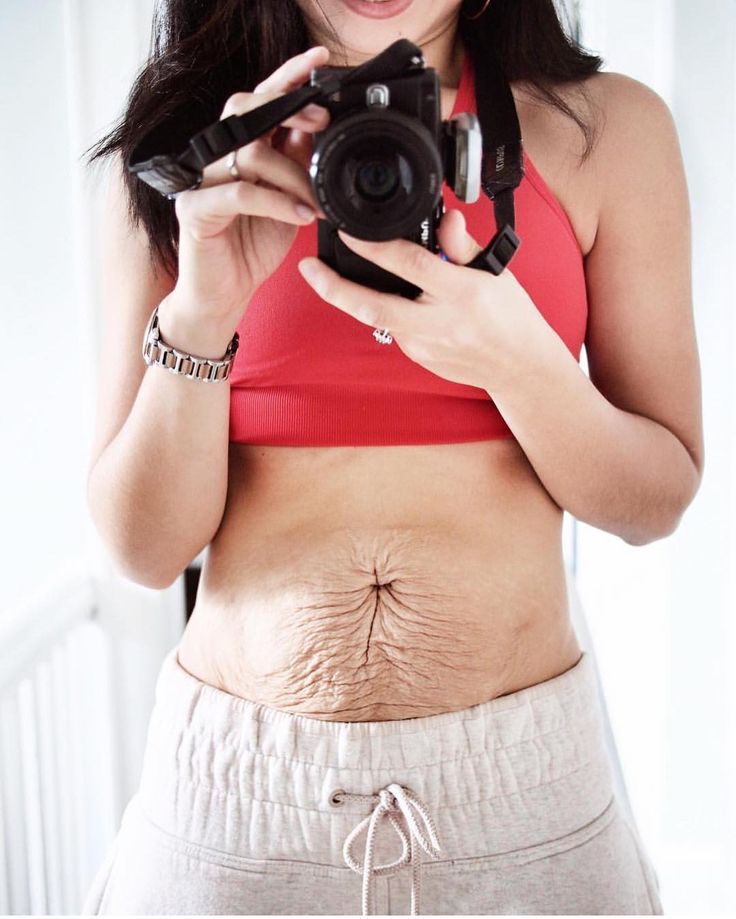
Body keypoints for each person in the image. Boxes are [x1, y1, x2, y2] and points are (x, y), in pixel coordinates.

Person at [81, 0, 703, 914]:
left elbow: (655, 501)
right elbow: (143, 550)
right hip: (234, 806)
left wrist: (510, 356)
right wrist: (203, 315)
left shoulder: (608, 131)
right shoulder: (196, 152)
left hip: (523, 794)